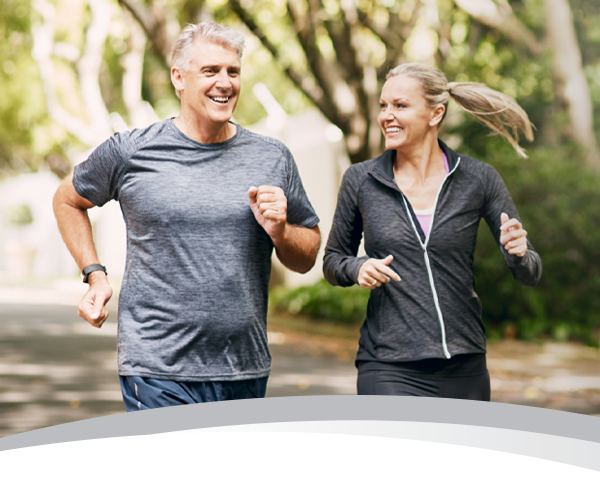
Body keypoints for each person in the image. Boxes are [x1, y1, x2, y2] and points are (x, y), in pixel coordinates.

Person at [52, 22, 321, 500]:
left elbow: (306, 255)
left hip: (241, 367)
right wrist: (94, 274)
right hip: (158, 363)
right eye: (210, 70)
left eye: (233, 71)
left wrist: (281, 231)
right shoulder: (132, 151)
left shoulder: (271, 157)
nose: (225, 82)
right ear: (179, 77)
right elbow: (67, 200)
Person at [323, 63, 542, 500]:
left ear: (434, 114)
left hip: (464, 370)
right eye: (383, 105)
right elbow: (332, 260)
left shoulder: (478, 179)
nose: (386, 114)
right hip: (390, 368)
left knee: (456, 492)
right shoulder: (362, 180)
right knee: (414, 486)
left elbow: (530, 271)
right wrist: (357, 267)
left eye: (400, 105)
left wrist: (519, 254)